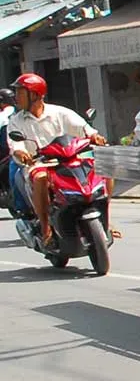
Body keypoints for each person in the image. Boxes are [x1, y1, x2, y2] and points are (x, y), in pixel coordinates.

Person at [7, 73, 108, 249]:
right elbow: (15, 145)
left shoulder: (59, 112)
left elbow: (83, 128)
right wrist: (21, 152)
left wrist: (94, 136)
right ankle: (46, 228)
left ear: (34, 95)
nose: (16, 97)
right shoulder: (16, 121)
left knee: (105, 168)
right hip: (39, 163)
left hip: (68, 159)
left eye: (20, 92)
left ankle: (106, 219)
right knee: (40, 178)